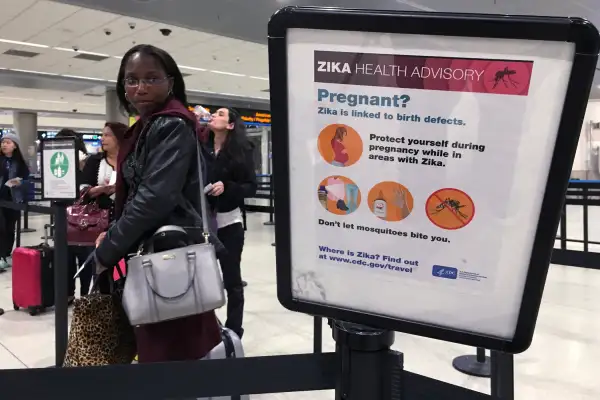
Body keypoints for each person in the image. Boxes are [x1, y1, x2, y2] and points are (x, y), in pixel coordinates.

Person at [94, 44, 222, 363]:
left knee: (170, 358)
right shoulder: (148, 126)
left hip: (168, 261)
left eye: (151, 78)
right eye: (132, 80)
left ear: (170, 82)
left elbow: (155, 197)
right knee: (167, 356)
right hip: (158, 257)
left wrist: (109, 247)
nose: (140, 88)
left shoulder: (170, 125)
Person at [200, 107, 256, 338]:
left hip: (228, 224)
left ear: (230, 125)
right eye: (214, 113)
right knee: (201, 279)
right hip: (202, 224)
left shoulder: (241, 152)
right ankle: (205, 329)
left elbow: (250, 186)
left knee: (232, 279)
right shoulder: (201, 149)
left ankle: (234, 330)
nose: (214, 115)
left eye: (221, 114)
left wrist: (227, 186)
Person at [74, 122, 127, 295]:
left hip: (124, 218)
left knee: (123, 261)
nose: (102, 139)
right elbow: (83, 188)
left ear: (119, 138)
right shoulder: (95, 161)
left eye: (107, 135)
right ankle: (94, 296)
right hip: (98, 218)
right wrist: (98, 190)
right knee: (97, 261)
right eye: (102, 135)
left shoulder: (130, 159)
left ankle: (121, 294)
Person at [55, 129, 92, 300]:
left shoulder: (86, 161)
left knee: (80, 255)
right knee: (69, 256)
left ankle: (81, 294)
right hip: (70, 215)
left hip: (80, 216)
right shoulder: (58, 162)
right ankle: (71, 293)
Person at [0, 133, 30, 271]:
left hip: (14, 199)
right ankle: (1, 256)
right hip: (1, 199)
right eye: (3, 142)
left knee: (10, 228)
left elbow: (26, 179)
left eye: (8, 142)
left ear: (15, 145)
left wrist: (19, 182)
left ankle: (5, 254)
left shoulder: (20, 163)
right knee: (1, 227)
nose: (4, 145)